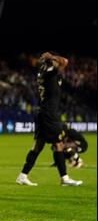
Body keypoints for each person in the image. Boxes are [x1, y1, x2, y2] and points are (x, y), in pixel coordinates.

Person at [16, 52, 83, 187]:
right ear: (52, 63)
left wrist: (49, 59)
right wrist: (51, 56)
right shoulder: (50, 73)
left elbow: (61, 64)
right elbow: (65, 60)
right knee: (58, 144)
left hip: (42, 113)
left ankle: (22, 176)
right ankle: (64, 178)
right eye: (55, 62)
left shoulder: (44, 72)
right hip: (49, 115)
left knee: (37, 146)